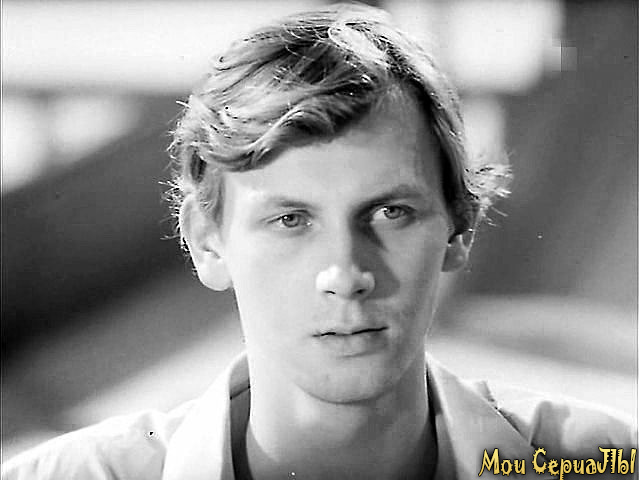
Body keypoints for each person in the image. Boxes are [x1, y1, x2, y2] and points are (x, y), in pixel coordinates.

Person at [2, 3, 636, 480]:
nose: (345, 272)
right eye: (291, 220)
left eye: (389, 213)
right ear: (207, 243)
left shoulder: (598, 463)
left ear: (459, 228)